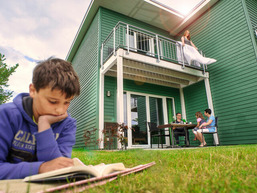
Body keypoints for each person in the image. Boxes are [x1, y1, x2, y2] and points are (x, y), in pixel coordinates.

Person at [0, 58, 80, 179]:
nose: (60, 110)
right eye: (53, 102)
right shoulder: (6, 115)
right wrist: (40, 168)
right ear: (33, 90)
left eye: (67, 102)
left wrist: (44, 125)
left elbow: (57, 168)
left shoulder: (68, 124)